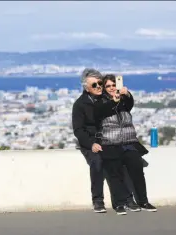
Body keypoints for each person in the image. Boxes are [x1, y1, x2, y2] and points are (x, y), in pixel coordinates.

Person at [72, 68, 139, 214]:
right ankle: (98, 200)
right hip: (91, 141)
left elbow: (125, 107)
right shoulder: (80, 104)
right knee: (97, 162)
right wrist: (91, 144)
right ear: (86, 88)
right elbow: (78, 129)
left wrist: (126, 95)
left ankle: (128, 199)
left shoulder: (106, 98)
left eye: (100, 83)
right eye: (94, 85)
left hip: (109, 139)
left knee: (119, 161)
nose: (99, 87)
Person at [93, 74, 157, 215]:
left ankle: (143, 201)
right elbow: (100, 112)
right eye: (108, 86)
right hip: (110, 143)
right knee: (115, 175)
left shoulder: (123, 101)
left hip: (129, 142)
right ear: (104, 88)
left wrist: (126, 94)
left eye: (114, 85)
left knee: (138, 172)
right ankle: (119, 204)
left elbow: (130, 103)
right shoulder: (99, 102)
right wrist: (113, 102)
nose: (111, 88)